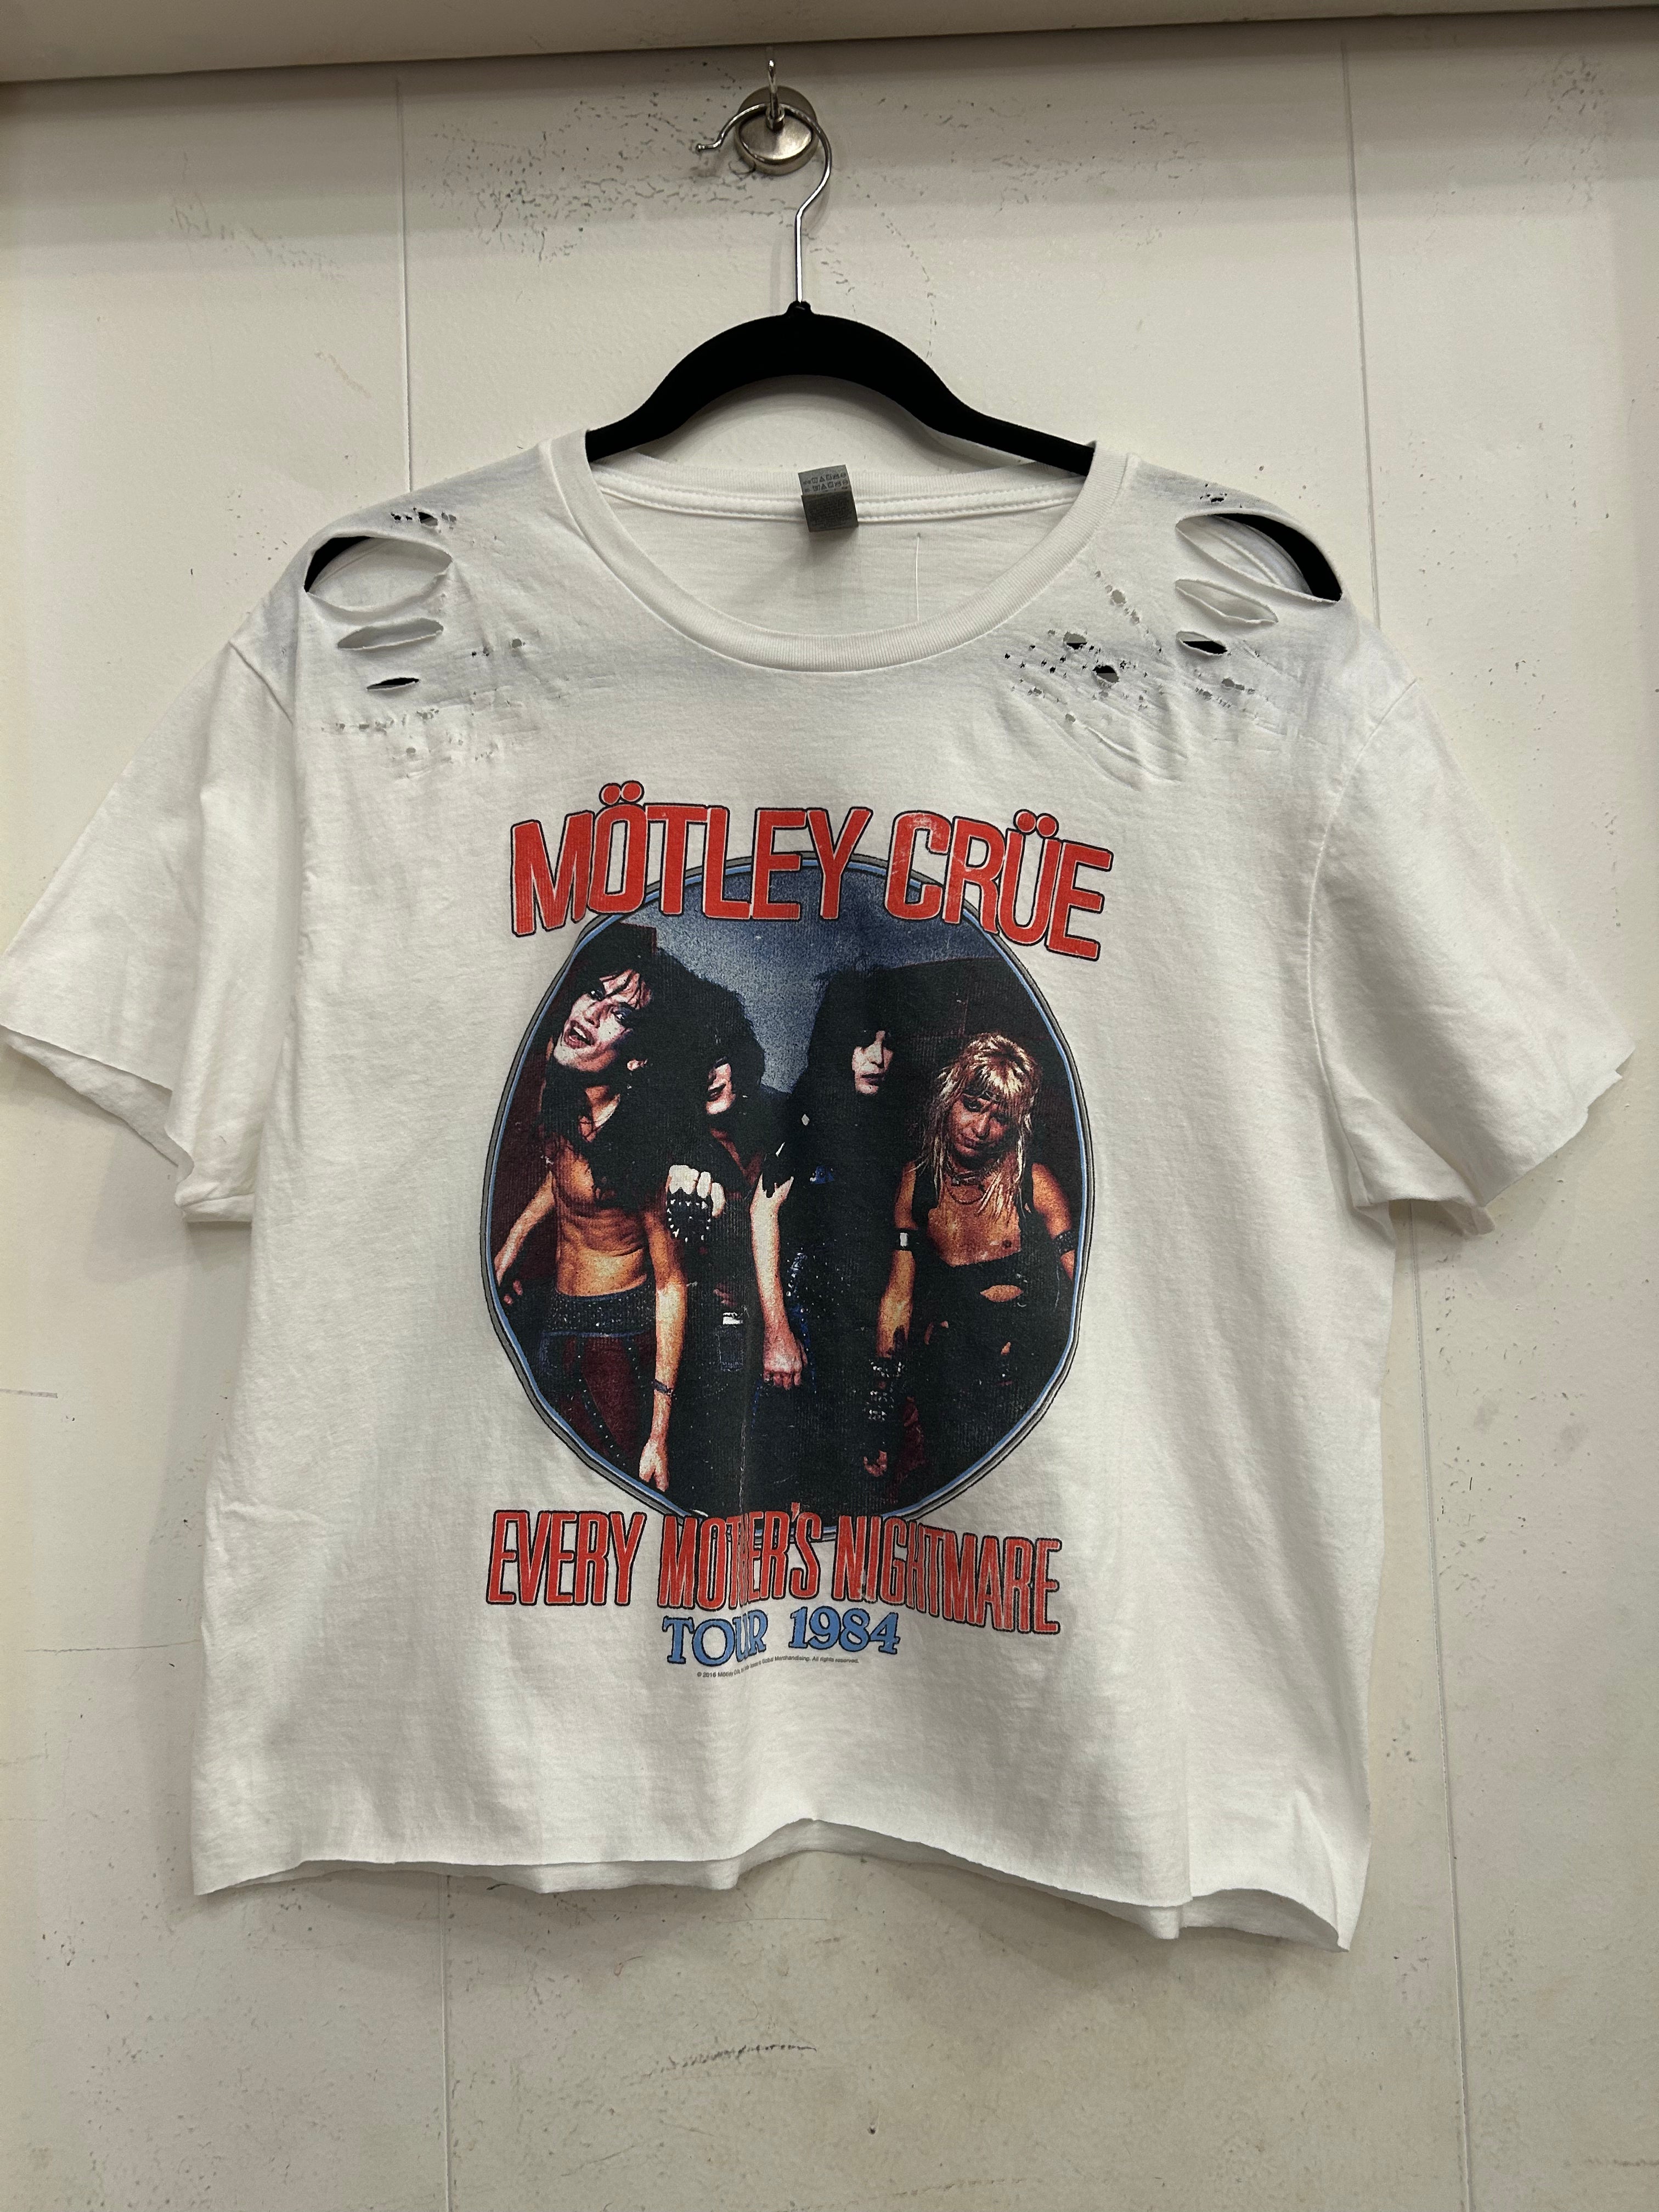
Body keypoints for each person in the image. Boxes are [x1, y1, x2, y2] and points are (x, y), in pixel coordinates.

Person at [492, 932, 703, 1493]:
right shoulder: (561, 1095)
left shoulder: (644, 1144)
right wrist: (512, 1245)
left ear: (636, 1057)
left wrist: (659, 1434)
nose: (590, 1013)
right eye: (594, 993)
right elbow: (564, 1180)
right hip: (555, 1322)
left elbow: (671, 1285)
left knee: (603, 1497)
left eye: (620, 1014)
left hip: (616, 1340)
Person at [865, 1032, 1077, 1494]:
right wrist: (881, 1412)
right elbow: (898, 1300)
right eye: (973, 1106)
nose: (981, 1129)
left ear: (1015, 1126)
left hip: (1024, 1390)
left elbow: (1088, 1291)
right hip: (949, 1388)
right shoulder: (917, 1184)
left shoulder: (1033, 1185)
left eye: (1000, 1118)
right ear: (949, 1099)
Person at [749, 967, 910, 1514]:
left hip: (861, 1327)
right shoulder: (806, 1113)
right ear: (839, 1042)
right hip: (804, 1325)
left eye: (888, 1043)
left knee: (853, 1491)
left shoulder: (890, 1124)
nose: (878, 1058)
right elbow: (762, 1214)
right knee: (793, 1495)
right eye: (864, 1042)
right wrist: (777, 1332)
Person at [659, 982, 786, 1516]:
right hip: (709, 1341)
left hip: (777, 1329)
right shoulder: (677, 1148)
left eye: (717, 1060)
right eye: (695, 1066)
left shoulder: (771, 1118)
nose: (709, 1077)